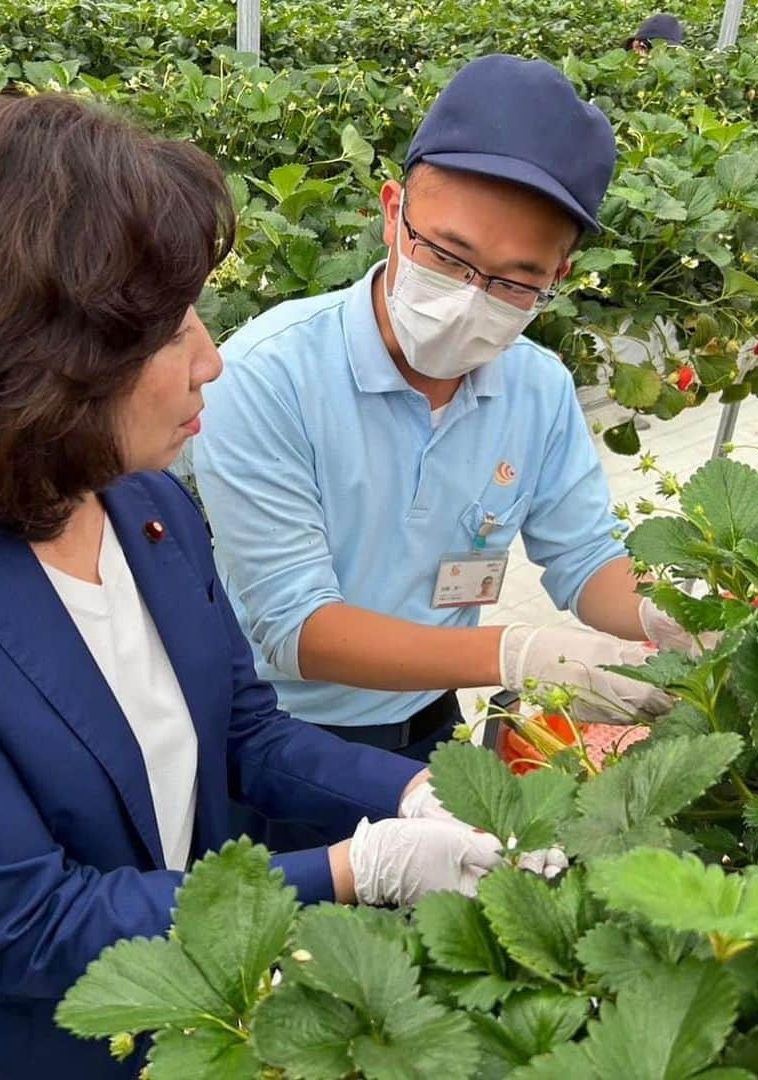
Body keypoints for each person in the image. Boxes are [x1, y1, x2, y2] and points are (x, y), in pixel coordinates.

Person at [0, 93, 555, 1080]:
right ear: (45, 356)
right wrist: (362, 869)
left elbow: (244, 736)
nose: (210, 362)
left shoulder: (148, 510)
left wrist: (414, 791)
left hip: (187, 1024)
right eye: (168, 331)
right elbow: (31, 926)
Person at [192, 55, 686, 851]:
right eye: (448, 256)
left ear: (558, 276)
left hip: (427, 720)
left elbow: (586, 558)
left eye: (515, 281)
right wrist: (515, 652)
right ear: (393, 212)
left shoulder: (538, 388)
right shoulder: (265, 376)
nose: (471, 294)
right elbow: (298, 627)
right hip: (275, 740)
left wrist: (669, 620)